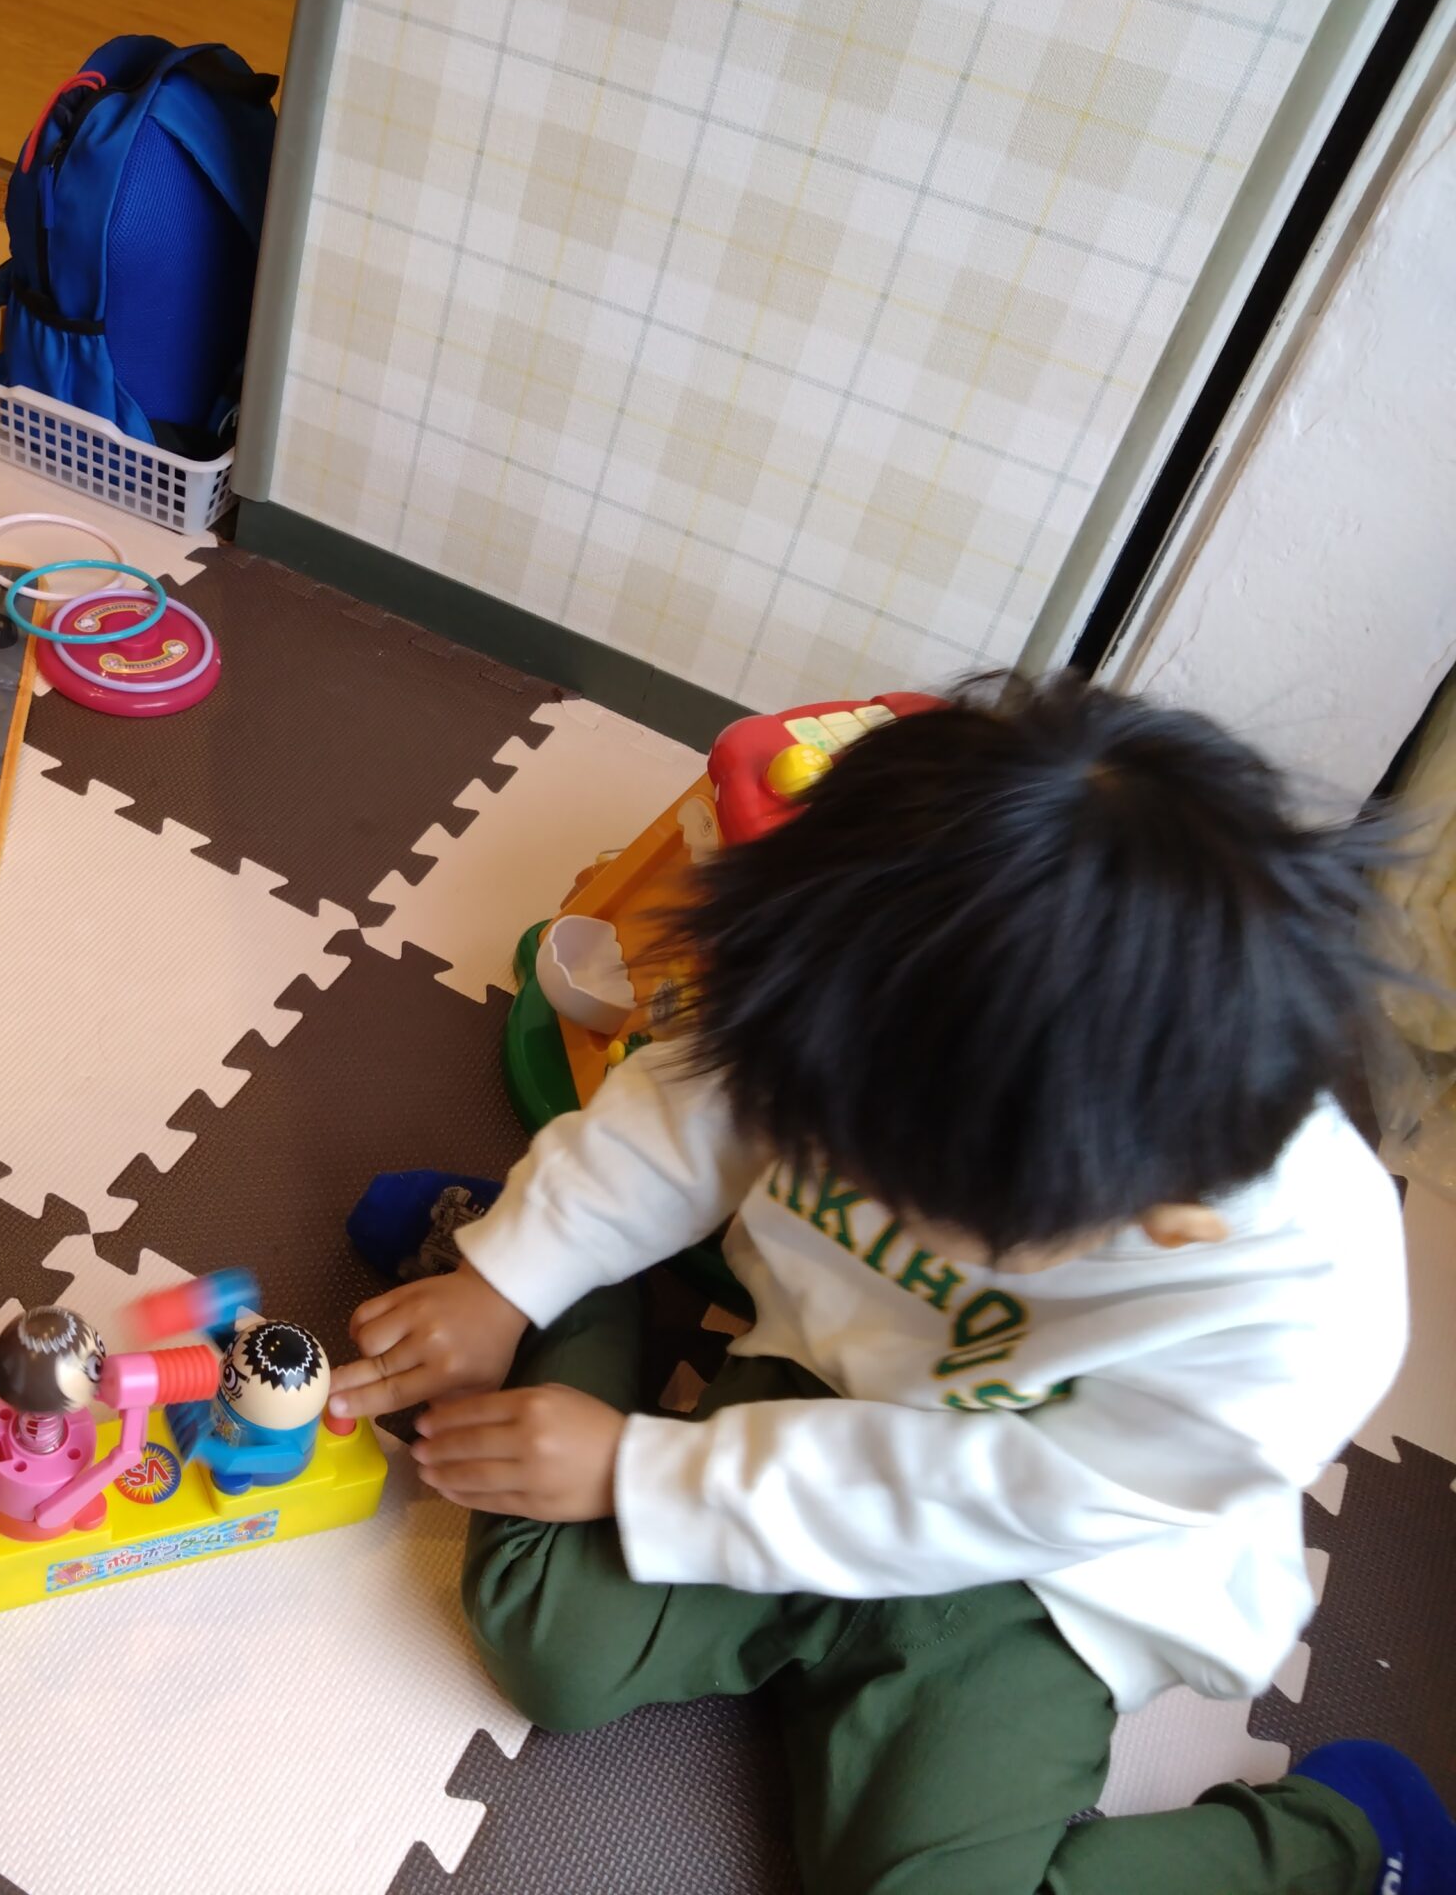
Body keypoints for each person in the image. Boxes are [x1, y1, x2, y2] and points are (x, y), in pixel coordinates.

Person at [333, 675, 1452, 1895]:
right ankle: (550, 1280)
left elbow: (995, 1499)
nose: (813, 1151)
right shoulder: (881, 971)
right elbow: (687, 1109)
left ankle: (1340, 1840)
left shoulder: (1303, 1309)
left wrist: (637, 1472)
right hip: (816, 1390)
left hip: (1042, 1575)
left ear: (1155, 1213)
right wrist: (512, 1277)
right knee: (552, 1646)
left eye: (875, 1164)